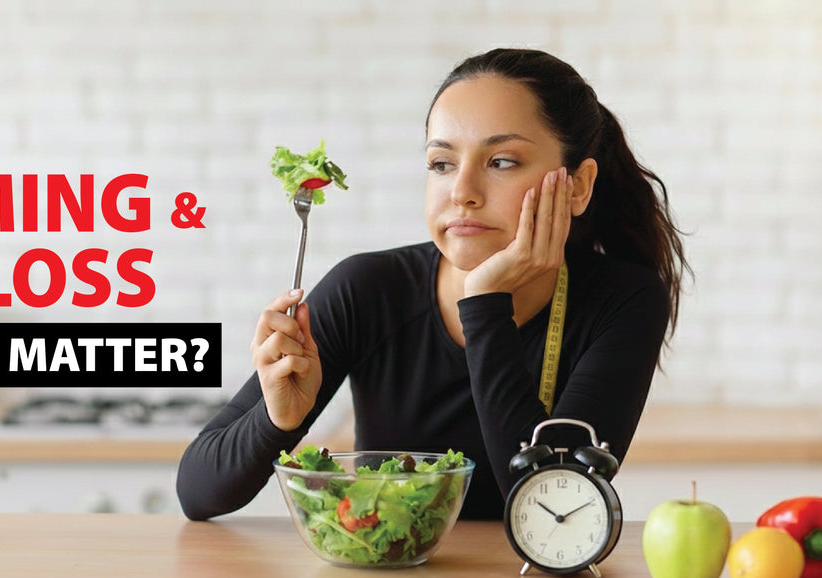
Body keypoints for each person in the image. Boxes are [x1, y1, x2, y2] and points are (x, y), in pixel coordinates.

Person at [176, 48, 690, 521]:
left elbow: (555, 506)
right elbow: (197, 493)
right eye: (442, 164)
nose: (461, 191)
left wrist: (485, 302)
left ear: (577, 185)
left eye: (501, 162)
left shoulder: (622, 300)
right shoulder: (369, 288)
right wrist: (278, 421)